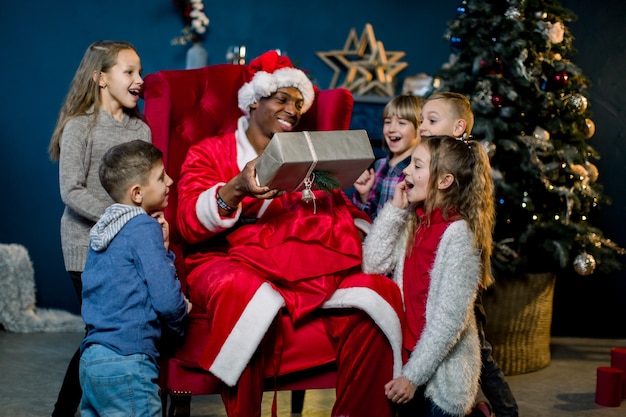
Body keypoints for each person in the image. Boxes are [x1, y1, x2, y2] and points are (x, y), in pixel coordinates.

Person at [176, 50, 404, 417]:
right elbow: (188, 221)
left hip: (300, 261)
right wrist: (235, 188)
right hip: (225, 256)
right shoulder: (211, 151)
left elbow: (339, 213)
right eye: (281, 99)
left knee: (378, 293)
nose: (293, 110)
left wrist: (357, 210)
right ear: (253, 101)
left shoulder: (307, 156)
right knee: (242, 292)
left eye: (298, 103)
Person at [48, 40, 151, 417]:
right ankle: (68, 410)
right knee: (101, 332)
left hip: (129, 249)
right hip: (85, 248)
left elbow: (146, 191)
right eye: (129, 72)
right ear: (101, 78)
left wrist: (155, 218)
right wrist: (123, 216)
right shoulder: (80, 128)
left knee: (109, 333)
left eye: (140, 71)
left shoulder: (141, 129)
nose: (140, 79)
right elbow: (71, 190)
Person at [363, 135, 495, 417]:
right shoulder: (412, 219)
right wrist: (395, 211)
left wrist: (412, 376)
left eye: (417, 165)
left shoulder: (459, 235)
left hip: (440, 383)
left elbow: (449, 321)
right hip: (408, 364)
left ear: (444, 181)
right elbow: (373, 265)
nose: (406, 171)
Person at [419, 92, 519, 417]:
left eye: (432, 121)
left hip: (459, 288)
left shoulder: (463, 165)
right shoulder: (434, 164)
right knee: (454, 357)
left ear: (459, 126)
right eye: (422, 120)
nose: (422, 127)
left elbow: (468, 227)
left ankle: (506, 411)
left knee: (480, 354)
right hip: (437, 282)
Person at [79, 140, 190, 417]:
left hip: (92, 360)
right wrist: (181, 317)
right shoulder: (142, 226)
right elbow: (166, 300)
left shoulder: (106, 229)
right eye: (161, 176)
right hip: (129, 362)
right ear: (137, 193)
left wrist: (161, 249)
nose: (171, 181)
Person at [352, 94, 424, 220]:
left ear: (419, 129)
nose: (392, 129)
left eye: (401, 123)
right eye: (388, 122)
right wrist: (364, 194)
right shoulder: (380, 165)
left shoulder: (417, 172)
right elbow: (371, 216)